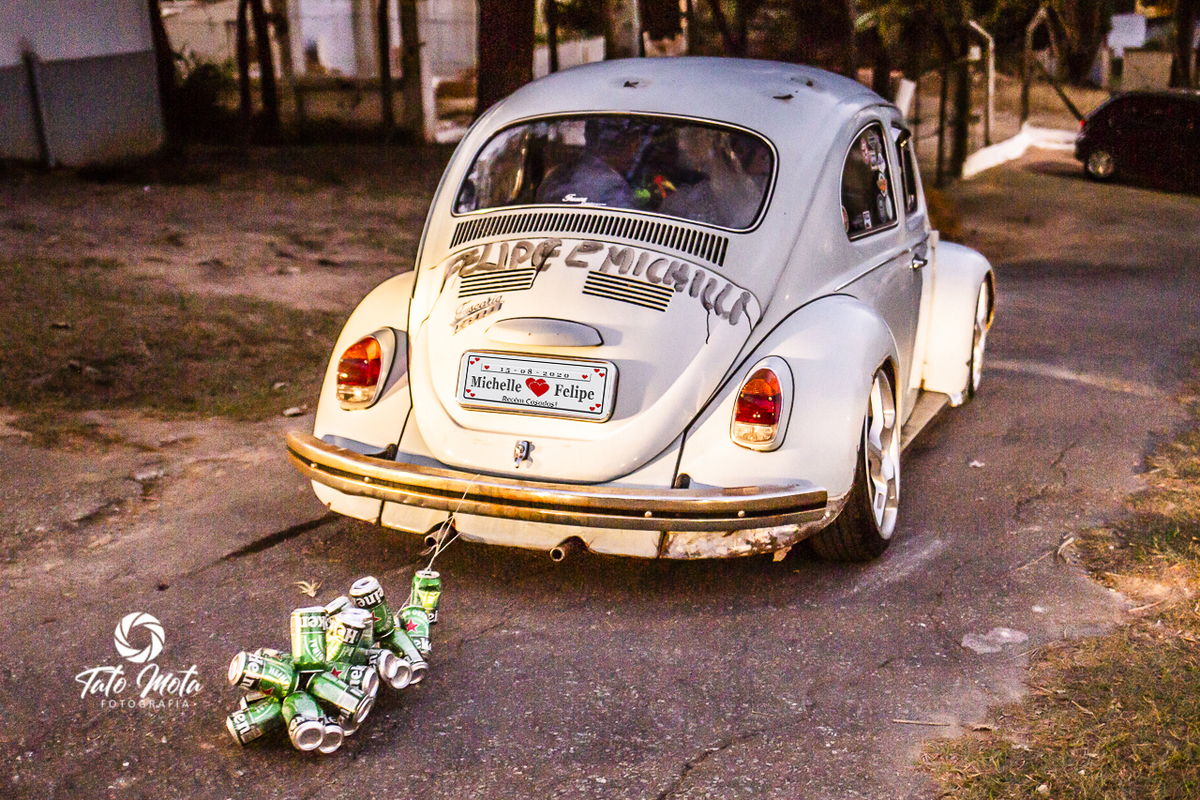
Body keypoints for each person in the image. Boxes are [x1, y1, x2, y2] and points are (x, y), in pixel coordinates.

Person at [535, 118, 647, 209]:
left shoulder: (554, 178)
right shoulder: (615, 189)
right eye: (634, 142)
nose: (636, 150)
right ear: (620, 142)